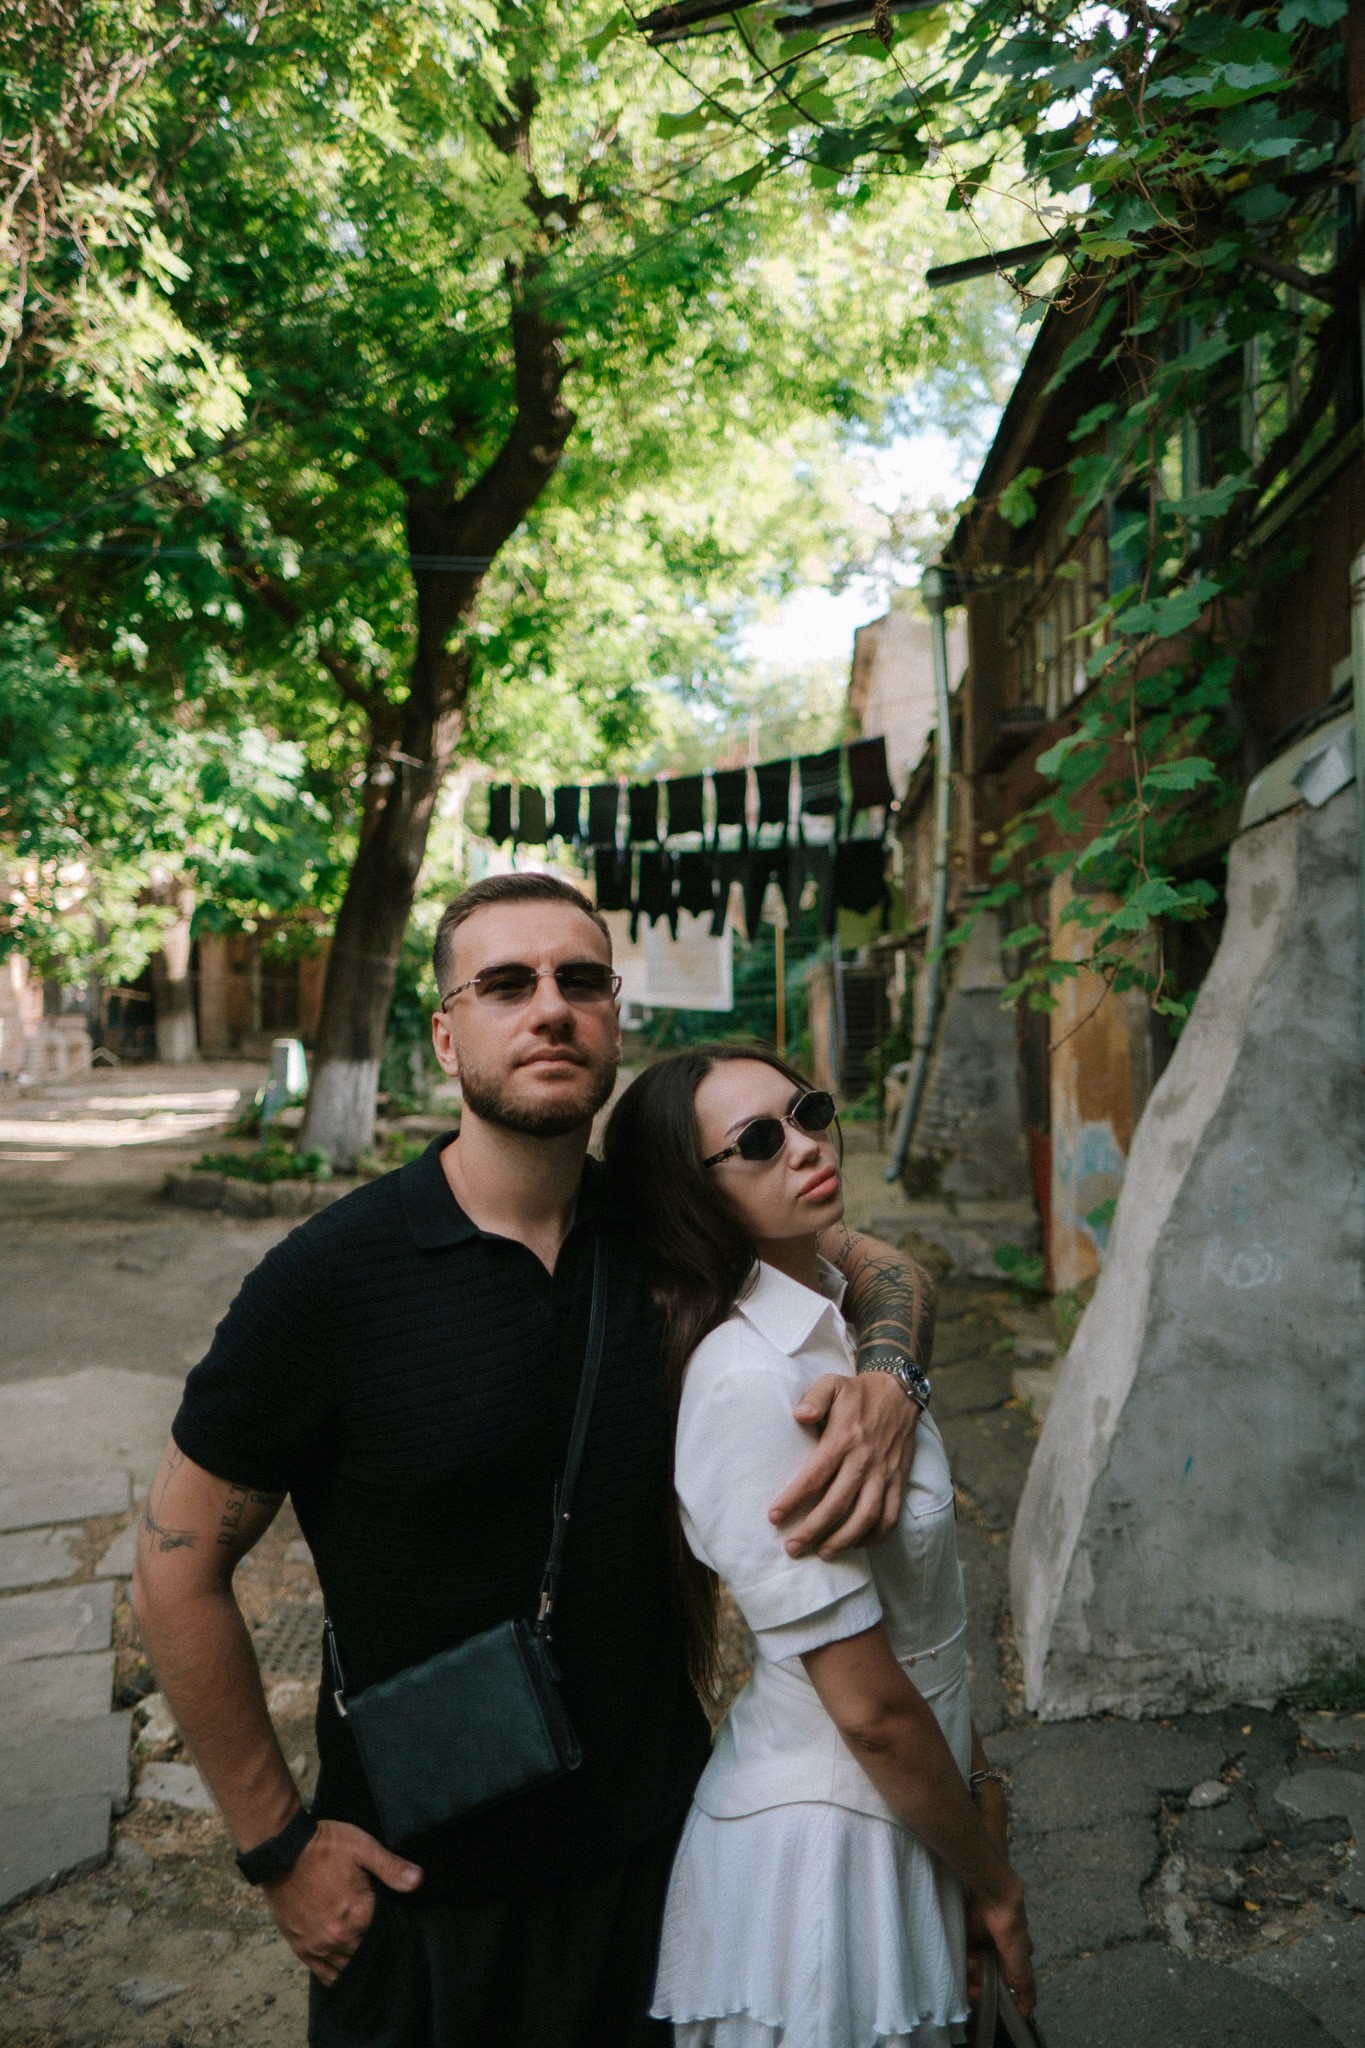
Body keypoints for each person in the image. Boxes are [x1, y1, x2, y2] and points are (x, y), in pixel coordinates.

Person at [131, 873, 939, 2048]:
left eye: (580, 980)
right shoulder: (331, 1282)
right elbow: (173, 1566)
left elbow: (880, 1265)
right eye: (507, 983)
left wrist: (889, 1379)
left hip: (667, 1864)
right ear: (449, 1034)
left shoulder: (671, 1232)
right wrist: (278, 1846)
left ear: (616, 1018)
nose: (549, 1007)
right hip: (423, 1903)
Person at [601, 1045, 1036, 2048]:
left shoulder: (835, 1316)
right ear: (688, 1194)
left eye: (806, 1111)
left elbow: (912, 1626)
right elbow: (869, 1705)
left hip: (918, 1809)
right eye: (758, 1141)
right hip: (827, 1847)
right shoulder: (750, 1379)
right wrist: (1000, 1883)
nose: (805, 1144)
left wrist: (977, 1786)